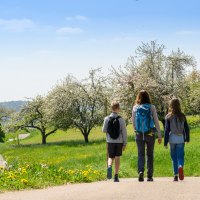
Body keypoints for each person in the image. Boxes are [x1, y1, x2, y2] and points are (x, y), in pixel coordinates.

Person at [132, 90, 162, 182]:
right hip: (150, 134)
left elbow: (133, 121)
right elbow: (156, 121)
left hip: (139, 134)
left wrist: (136, 131)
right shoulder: (152, 107)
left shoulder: (135, 108)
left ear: (138, 97)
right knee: (150, 155)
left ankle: (140, 171)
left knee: (140, 154)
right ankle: (149, 176)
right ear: (148, 97)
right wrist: (159, 135)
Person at [164, 98, 190, 181]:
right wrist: (187, 138)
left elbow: (167, 130)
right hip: (180, 138)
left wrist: (165, 142)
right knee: (180, 156)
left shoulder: (168, 116)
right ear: (179, 105)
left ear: (171, 106)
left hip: (172, 138)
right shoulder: (182, 116)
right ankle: (180, 166)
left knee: (173, 157)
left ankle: (175, 175)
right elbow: (186, 128)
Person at [102, 101, 127, 182]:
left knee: (110, 157)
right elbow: (124, 132)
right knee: (117, 157)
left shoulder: (106, 118)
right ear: (118, 109)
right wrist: (125, 143)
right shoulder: (121, 119)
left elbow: (103, 130)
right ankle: (116, 176)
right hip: (119, 142)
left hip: (110, 141)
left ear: (111, 108)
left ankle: (109, 166)